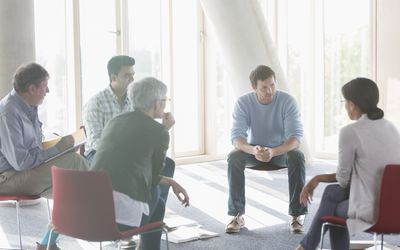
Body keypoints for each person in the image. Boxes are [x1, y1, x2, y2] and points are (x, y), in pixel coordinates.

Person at [296, 78, 400, 250]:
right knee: (331, 192)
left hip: (375, 212)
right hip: (396, 208)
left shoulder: (350, 132)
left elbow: (344, 180)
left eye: (345, 102)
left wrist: (318, 178)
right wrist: (319, 178)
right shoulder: (392, 128)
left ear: (352, 104)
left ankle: (306, 246)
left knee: (332, 206)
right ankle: (305, 246)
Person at [93, 77, 189, 250]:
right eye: (165, 100)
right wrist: (164, 130)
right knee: (155, 192)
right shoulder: (158, 131)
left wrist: (171, 182)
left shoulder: (115, 121)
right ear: (156, 104)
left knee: (158, 203)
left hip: (91, 211)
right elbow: (153, 176)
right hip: (120, 220)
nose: (165, 105)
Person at [0, 63, 89, 250]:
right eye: (44, 86)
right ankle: (110, 212)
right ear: (31, 89)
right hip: (8, 178)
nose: (47, 91)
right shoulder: (8, 112)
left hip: (24, 172)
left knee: (72, 184)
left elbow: (33, 148)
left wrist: (60, 148)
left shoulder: (28, 106)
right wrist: (59, 151)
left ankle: (48, 242)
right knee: (74, 164)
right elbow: (21, 162)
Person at [82, 55, 175, 202]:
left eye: (133, 75)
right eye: (127, 76)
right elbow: (95, 141)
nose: (132, 80)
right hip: (97, 153)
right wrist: (128, 152)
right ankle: (140, 207)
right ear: (113, 77)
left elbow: (143, 134)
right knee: (137, 168)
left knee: (168, 165)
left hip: (129, 151)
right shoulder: (95, 103)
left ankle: (155, 207)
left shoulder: (134, 100)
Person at [226, 65, 306, 234]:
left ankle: (297, 215)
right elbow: (237, 138)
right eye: (264, 87)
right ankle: (236, 215)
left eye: (272, 85)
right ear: (254, 87)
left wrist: (274, 152)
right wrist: (253, 150)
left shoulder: (287, 101)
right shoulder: (243, 102)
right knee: (234, 157)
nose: (270, 91)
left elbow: (295, 138)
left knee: (297, 156)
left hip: (279, 151)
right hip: (254, 151)